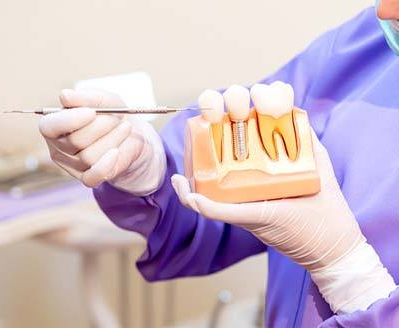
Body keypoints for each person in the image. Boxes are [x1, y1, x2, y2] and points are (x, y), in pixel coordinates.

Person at [39, 2, 399, 327]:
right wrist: (150, 170)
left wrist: (351, 275)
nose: (385, 10)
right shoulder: (366, 47)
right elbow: (220, 197)